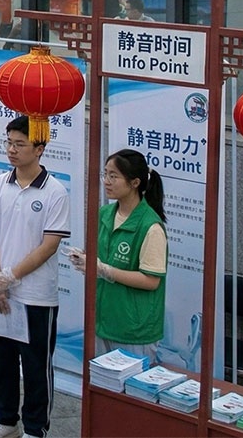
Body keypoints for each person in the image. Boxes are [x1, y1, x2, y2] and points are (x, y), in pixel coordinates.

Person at [0, 115, 71, 438]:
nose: (12, 150)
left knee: (35, 367)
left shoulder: (55, 191)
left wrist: (11, 277)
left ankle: (35, 428)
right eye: (9, 143)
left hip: (35, 295)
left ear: (40, 149)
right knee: (0, 360)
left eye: (20, 144)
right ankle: (4, 419)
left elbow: (49, 245)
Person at [68, 149, 168, 364]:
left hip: (133, 327)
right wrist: (85, 259)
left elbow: (151, 281)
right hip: (103, 319)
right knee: (100, 389)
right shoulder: (105, 214)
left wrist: (104, 270)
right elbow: (102, 258)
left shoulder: (150, 226)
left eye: (114, 176)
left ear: (134, 183)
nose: (107, 182)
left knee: (128, 394)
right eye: (105, 174)